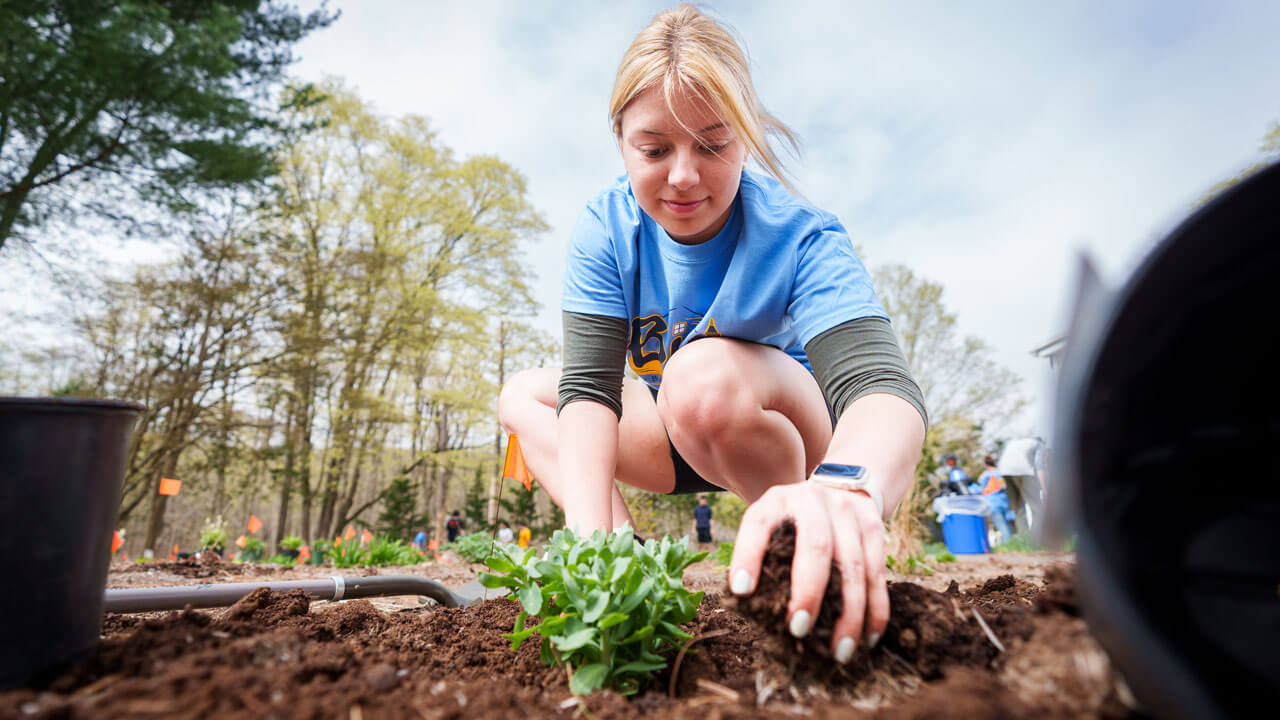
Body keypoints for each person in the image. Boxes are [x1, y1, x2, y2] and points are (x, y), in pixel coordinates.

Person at [497, 4, 926, 666]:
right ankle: (624, 565)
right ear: (620, 142)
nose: (683, 177)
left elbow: (880, 387)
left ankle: (800, 548)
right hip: (670, 433)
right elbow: (588, 389)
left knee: (699, 378)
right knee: (523, 395)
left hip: (782, 434)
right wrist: (589, 551)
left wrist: (848, 490)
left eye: (713, 144)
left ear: (746, 139)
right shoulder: (606, 228)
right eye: (654, 149)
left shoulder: (800, 234)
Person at [976, 454, 1015, 542]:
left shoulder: (984, 475)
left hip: (992, 503)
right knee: (1008, 524)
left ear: (986, 465)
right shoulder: (1000, 473)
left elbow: (981, 489)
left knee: (1001, 526)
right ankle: (1013, 543)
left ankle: (1008, 545)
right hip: (1004, 501)